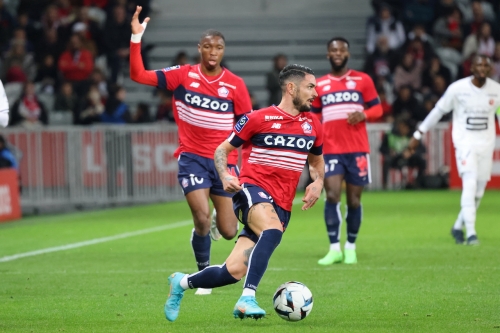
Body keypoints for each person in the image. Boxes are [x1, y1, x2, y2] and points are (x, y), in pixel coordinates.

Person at [164, 64, 324, 321]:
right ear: (291, 88)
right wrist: (226, 175)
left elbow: (316, 162)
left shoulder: (313, 125)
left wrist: (318, 182)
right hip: (252, 190)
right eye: (311, 86)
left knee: (233, 270)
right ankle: (247, 297)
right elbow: (221, 151)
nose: (316, 92)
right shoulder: (257, 119)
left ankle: (181, 283)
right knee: (271, 231)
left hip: (282, 204)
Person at [129, 6, 253, 295]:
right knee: (200, 217)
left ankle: (210, 227)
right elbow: (138, 74)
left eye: (218, 47)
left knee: (229, 231)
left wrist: (242, 167)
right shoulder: (182, 76)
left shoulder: (235, 85)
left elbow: (247, 128)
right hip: (192, 158)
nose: (213, 51)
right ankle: (203, 273)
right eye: (207, 46)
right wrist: (136, 39)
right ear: (199, 48)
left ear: (223, 51)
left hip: (223, 162)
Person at [409, 54, 500, 246]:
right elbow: (438, 111)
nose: (482, 68)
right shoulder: (457, 89)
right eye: (478, 65)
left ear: (490, 69)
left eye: (486, 65)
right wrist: (419, 133)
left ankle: (458, 226)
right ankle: (472, 233)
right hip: (465, 142)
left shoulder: (496, 90)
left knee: (479, 191)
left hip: (486, 144)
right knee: (469, 182)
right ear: (471, 68)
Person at [312, 37, 383, 265]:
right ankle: (334, 248)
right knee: (332, 195)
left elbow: (378, 108)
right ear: (328, 54)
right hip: (331, 149)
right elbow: (313, 115)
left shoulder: (363, 80)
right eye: (334, 50)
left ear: (348, 54)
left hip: (357, 149)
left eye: (342, 49)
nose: (338, 53)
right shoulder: (320, 84)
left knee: (354, 200)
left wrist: (364, 114)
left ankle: (350, 246)